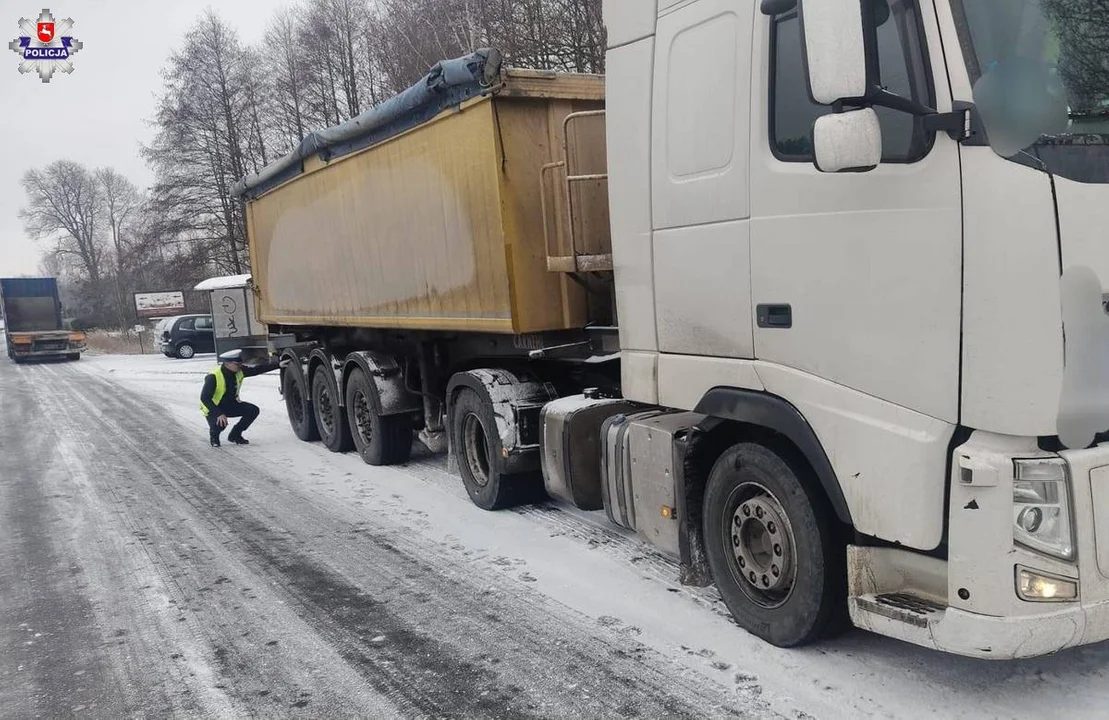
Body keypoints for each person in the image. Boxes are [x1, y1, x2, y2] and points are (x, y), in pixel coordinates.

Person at [200, 349, 290, 447]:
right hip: (214, 408)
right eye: (237, 364)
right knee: (220, 423)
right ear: (227, 363)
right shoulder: (213, 376)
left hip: (230, 405)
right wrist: (219, 413)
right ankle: (214, 437)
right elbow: (205, 398)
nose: (240, 366)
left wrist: (278, 365)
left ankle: (235, 435)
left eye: (240, 363)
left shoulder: (239, 371)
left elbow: (257, 369)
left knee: (253, 410)